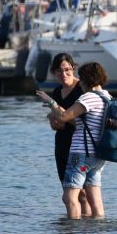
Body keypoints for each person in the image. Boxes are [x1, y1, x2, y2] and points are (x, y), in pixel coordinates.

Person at [48, 61, 112, 219]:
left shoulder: (88, 97)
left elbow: (64, 117)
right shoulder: (107, 96)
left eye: (81, 78)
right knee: (95, 199)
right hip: (97, 157)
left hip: (81, 156)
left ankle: (74, 231)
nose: (80, 82)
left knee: (69, 197)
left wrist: (51, 104)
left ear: (86, 80)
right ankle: (97, 230)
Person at [37, 52, 81, 188]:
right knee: (66, 187)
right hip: (62, 144)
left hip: (80, 145)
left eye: (67, 69)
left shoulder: (81, 89)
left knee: (81, 192)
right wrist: (54, 120)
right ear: (54, 73)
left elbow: (78, 123)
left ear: (73, 68)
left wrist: (53, 105)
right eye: (59, 71)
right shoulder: (57, 91)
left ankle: (86, 211)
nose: (63, 74)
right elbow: (57, 126)